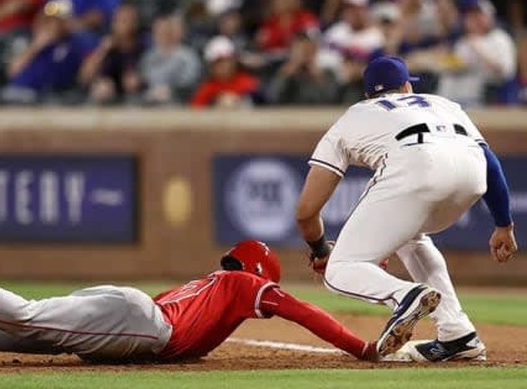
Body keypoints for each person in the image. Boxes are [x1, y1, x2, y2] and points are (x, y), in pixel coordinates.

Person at [294, 56, 517, 362]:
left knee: (339, 271)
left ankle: (405, 295)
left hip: (417, 168)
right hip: (472, 176)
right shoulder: (444, 103)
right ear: (406, 86)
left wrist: (321, 250)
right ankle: (458, 334)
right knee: (413, 236)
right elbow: (489, 162)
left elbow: (306, 212)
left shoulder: (354, 115)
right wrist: (503, 223)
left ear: (368, 94)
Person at [0, 241, 379, 363]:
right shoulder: (241, 288)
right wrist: (361, 348)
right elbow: (305, 311)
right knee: (22, 315)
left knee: (2, 333)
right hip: (141, 322)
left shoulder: (207, 286)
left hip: (125, 311)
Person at [6, 0, 98, 99]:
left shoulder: (78, 42)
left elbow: (84, 78)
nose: (53, 25)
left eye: (58, 21)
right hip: (19, 94)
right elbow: (11, 71)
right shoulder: (28, 38)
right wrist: (36, 46)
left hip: (54, 98)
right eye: (49, 20)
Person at [437, 0, 516, 106]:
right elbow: (452, 66)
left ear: (490, 17)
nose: (473, 20)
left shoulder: (500, 38)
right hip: (453, 98)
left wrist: (480, 50)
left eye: (478, 15)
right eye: (469, 16)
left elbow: (506, 73)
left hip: (485, 99)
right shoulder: (463, 42)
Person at [79, 3, 145, 105]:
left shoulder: (142, 45)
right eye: (121, 20)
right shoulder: (105, 45)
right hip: (106, 96)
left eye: (129, 20)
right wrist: (102, 50)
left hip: (137, 96)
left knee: (132, 82)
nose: (125, 24)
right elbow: (84, 77)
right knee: (103, 87)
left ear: (136, 23)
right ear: (113, 23)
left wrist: (139, 80)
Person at [138, 15, 201, 105]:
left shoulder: (188, 57)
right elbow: (143, 83)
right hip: (149, 105)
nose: (162, 34)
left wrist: (172, 91)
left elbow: (193, 86)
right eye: (158, 31)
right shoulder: (148, 57)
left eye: (165, 31)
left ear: (172, 32)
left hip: (177, 105)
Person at [191, 36, 262, 108]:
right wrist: (214, 103)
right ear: (211, 66)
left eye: (227, 61)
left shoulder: (248, 83)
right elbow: (195, 110)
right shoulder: (206, 89)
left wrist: (241, 101)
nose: (224, 66)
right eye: (218, 62)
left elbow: (262, 103)